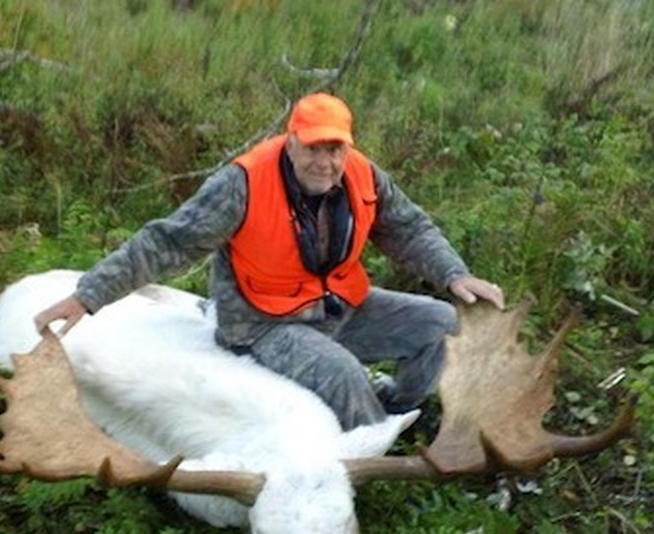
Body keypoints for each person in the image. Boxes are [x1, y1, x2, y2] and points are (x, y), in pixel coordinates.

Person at [34, 92, 504, 430]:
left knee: (444, 322)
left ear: (349, 146)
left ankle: (399, 414)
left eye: (335, 148)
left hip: (337, 306)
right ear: (292, 141)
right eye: (313, 147)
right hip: (263, 323)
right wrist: (87, 296)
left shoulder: (364, 176)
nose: (325, 161)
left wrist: (454, 273)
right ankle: (368, 459)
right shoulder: (242, 184)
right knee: (342, 374)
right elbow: (167, 242)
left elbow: (409, 228)